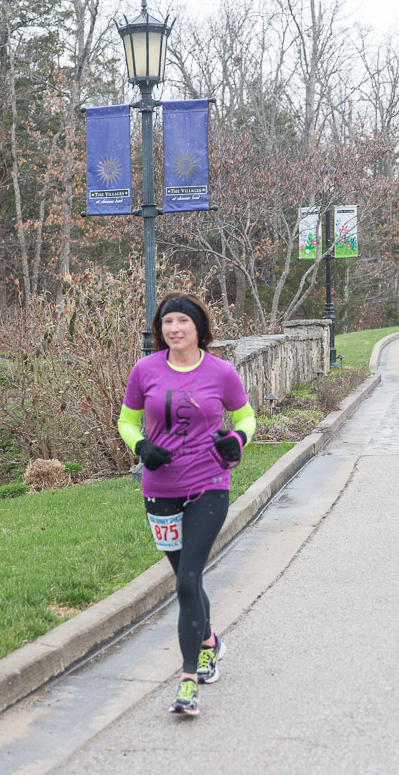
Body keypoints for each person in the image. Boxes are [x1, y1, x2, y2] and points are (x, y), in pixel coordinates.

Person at [117, 291, 256, 716]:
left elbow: (246, 416)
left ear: (199, 328)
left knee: (187, 579)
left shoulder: (221, 372)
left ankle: (188, 681)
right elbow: (126, 420)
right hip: (159, 489)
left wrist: (238, 439)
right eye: (167, 322)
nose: (174, 328)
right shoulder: (144, 370)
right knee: (186, 579)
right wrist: (141, 446)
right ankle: (210, 641)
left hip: (208, 484)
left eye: (182, 321)